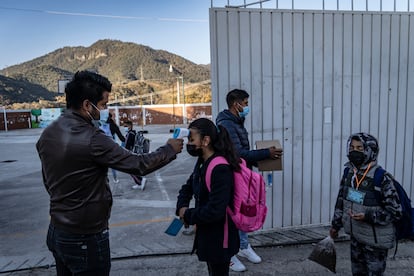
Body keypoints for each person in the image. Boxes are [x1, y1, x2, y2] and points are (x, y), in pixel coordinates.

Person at [36, 70, 184, 276]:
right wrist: (169, 150)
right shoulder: (93, 138)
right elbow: (137, 164)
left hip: (57, 231)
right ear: (88, 105)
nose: (105, 110)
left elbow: (48, 180)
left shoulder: (49, 132)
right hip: (85, 238)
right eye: (104, 104)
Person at [216, 88, 283, 272]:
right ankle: (229, 254)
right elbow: (238, 153)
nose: (247, 107)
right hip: (231, 175)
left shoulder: (236, 121)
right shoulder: (227, 124)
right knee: (232, 214)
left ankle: (243, 246)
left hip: (241, 173)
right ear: (236, 104)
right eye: (245, 103)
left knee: (244, 209)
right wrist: (266, 153)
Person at [330, 132, 402, 276]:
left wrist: (368, 216)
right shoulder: (349, 173)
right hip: (356, 238)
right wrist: (335, 225)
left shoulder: (381, 178)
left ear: (370, 151)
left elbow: (395, 212)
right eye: (351, 147)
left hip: (376, 242)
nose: (354, 151)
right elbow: (341, 201)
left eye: (359, 148)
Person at [176, 118, 240, 276]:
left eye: (191, 139)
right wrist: (181, 207)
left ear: (205, 140)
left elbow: (215, 210)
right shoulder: (202, 161)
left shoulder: (220, 168)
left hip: (220, 238)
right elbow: (188, 186)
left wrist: (188, 215)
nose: (189, 143)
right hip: (208, 233)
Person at [123, 120, 147, 190]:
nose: (124, 128)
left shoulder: (129, 134)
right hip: (135, 153)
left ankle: (141, 181)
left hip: (130, 154)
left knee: (130, 169)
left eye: (125, 126)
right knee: (134, 168)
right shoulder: (134, 133)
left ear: (130, 126)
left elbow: (127, 146)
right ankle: (139, 182)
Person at [106, 112, 126, 183]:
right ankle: (115, 178)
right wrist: (121, 148)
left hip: (101, 147)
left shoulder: (100, 125)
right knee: (112, 165)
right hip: (111, 147)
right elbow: (122, 139)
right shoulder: (114, 126)